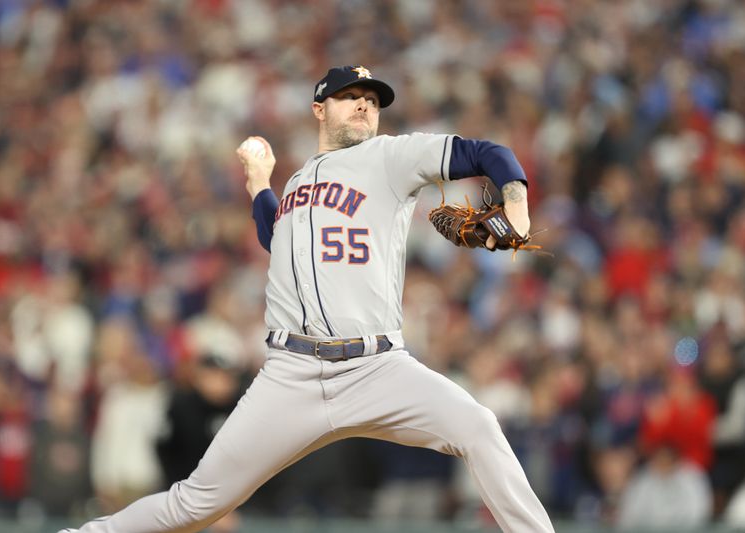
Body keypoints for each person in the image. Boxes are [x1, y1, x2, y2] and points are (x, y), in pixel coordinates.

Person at [59, 64, 554, 533]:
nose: (364, 106)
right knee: (196, 504)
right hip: (290, 375)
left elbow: (485, 152)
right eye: (350, 98)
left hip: (376, 367)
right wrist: (259, 184)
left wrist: (516, 200)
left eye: (371, 101)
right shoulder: (298, 183)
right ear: (319, 109)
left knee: (479, 426)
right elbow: (279, 241)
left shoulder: (390, 157)